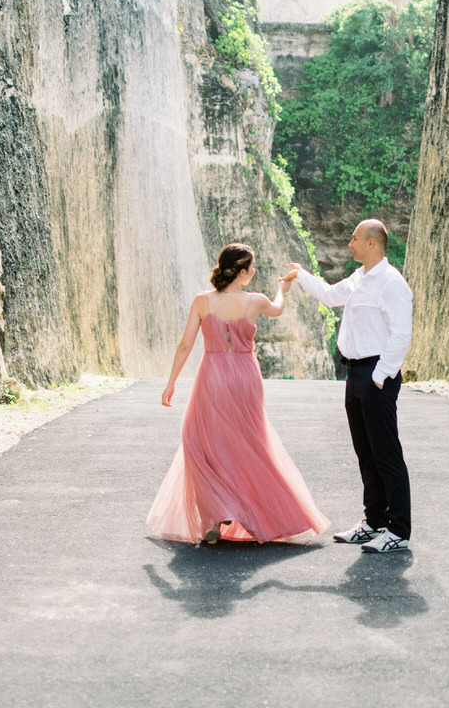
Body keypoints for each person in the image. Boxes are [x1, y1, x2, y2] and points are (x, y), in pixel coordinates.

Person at [146, 243, 328, 545]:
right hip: (245, 376)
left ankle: (216, 516)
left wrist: (171, 382)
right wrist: (283, 289)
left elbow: (185, 344)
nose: (255, 272)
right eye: (252, 268)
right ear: (241, 272)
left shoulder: (202, 301)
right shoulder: (256, 301)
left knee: (202, 442)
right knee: (250, 443)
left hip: (212, 376)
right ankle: (252, 513)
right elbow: (278, 308)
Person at [287, 218, 413, 554]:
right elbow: (329, 296)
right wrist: (300, 274)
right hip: (355, 374)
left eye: (354, 238)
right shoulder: (360, 278)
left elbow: (401, 334)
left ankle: (398, 529)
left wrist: (380, 374)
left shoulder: (391, 283)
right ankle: (375, 522)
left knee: (386, 454)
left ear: (372, 242)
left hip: (375, 375)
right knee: (365, 453)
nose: (349, 243)